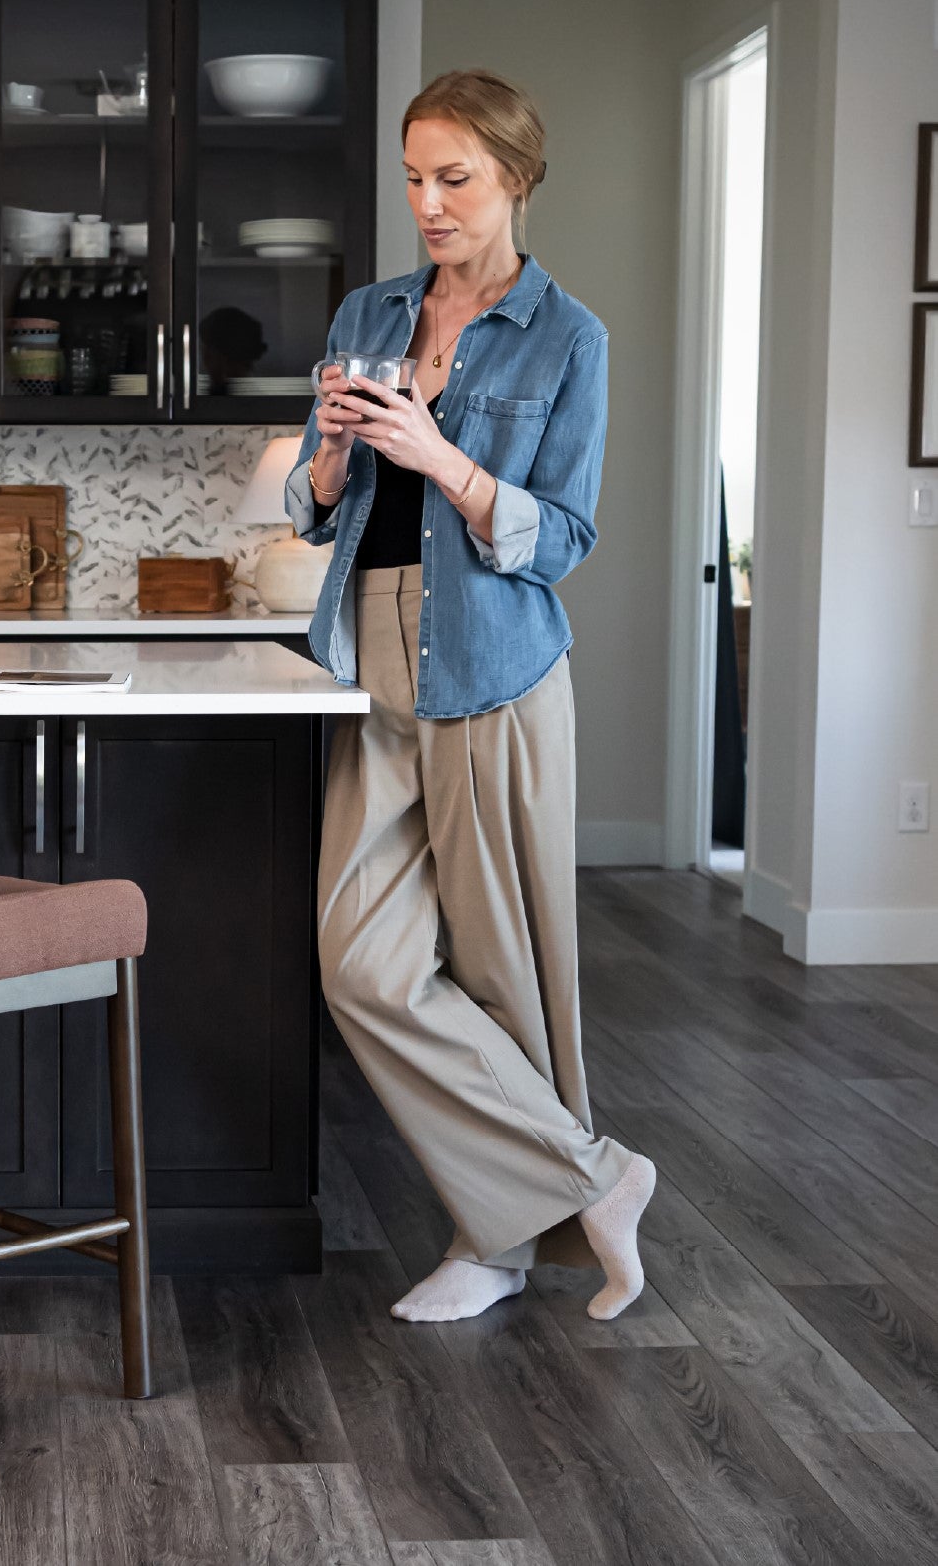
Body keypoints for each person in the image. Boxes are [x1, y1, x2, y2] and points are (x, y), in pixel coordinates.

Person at [284, 69, 657, 1324]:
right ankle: (593, 1179)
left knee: (505, 973)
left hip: (497, 665)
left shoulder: (569, 337)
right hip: (373, 659)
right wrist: (330, 456)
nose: (428, 204)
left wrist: (443, 459)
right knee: (361, 963)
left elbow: (564, 539)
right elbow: (313, 507)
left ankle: (492, 1244)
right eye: (414, 177)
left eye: (456, 179)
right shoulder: (372, 307)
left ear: (516, 180)